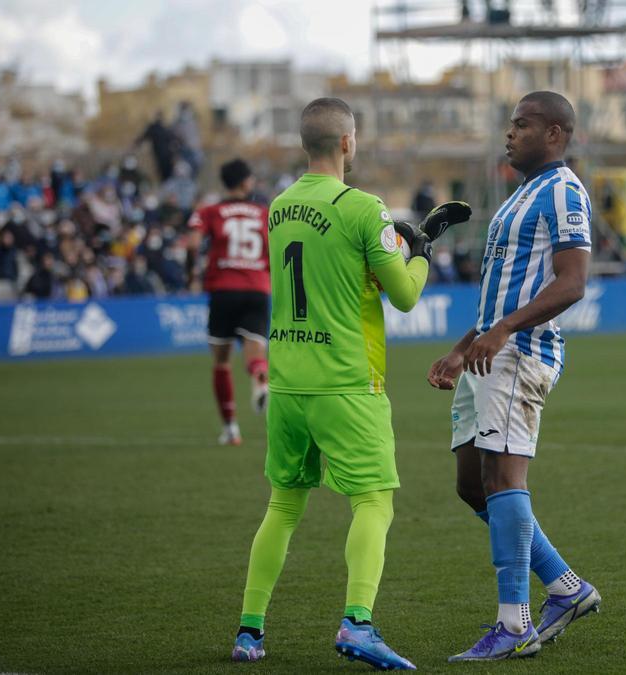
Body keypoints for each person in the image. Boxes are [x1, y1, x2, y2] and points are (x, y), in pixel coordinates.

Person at [229, 97, 436, 670]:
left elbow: (331, 275)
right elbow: (406, 295)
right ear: (348, 142)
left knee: (284, 506)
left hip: (288, 382)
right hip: (347, 384)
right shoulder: (363, 207)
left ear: (305, 144)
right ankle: (358, 624)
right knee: (372, 501)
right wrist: (419, 252)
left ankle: (249, 631)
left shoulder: (278, 207)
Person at [427, 90, 601, 662]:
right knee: (471, 485)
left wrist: (502, 334)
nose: (510, 133)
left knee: (504, 480)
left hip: (521, 352)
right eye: (510, 124)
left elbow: (572, 282)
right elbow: (504, 290)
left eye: (522, 125)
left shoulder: (564, 191)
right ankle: (567, 589)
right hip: (488, 352)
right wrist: (465, 346)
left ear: (555, 133)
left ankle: (514, 624)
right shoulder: (519, 198)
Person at [186, 159, 272, 446]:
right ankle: (260, 376)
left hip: (223, 288)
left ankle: (231, 429)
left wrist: (191, 274)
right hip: (257, 288)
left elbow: (193, 243)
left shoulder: (210, 211)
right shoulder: (263, 213)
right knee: (255, 348)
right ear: (246, 182)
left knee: (221, 362)